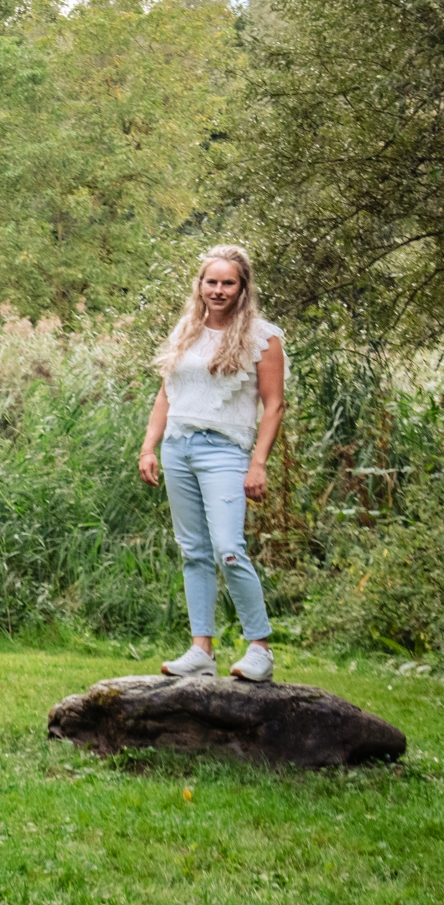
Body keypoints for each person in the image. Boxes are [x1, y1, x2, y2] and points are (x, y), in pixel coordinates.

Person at [139, 245, 286, 682]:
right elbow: (167, 394)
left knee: (227, 548)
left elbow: (274, 405)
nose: (218, 290)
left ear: (242, 287)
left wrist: (257, 464)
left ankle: (258, 647)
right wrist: (149, 446)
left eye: (228, 283)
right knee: (194, 552)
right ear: (200, 285)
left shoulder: (264, 337)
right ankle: (201, 649)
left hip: (225, 451)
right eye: (211, 282)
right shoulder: (187, 330)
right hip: (178, 447)